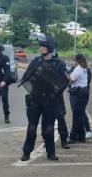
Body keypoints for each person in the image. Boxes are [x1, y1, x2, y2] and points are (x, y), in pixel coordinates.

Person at [19, 33, 68, 161]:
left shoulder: (59, 64)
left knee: (49, 129)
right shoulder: (36, 61)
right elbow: (26, 77)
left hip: (50, 101)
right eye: (40, 46)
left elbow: (64, 82)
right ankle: (26, 152)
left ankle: (51, 152)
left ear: (50, 47)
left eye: (43, 46)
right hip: (35, 99)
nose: (41, 48)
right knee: (31, 128)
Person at [68, 54, 92, 142]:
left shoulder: (78, 69)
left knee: (76, 116)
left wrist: (67, 77)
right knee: (80, 114)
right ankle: (81, 136)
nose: (73, 62)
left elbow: (71, 80)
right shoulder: (84, 68)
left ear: (77, 61)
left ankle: (73, 137)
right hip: (84, 91)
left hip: (78, 92)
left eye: (74, 60)